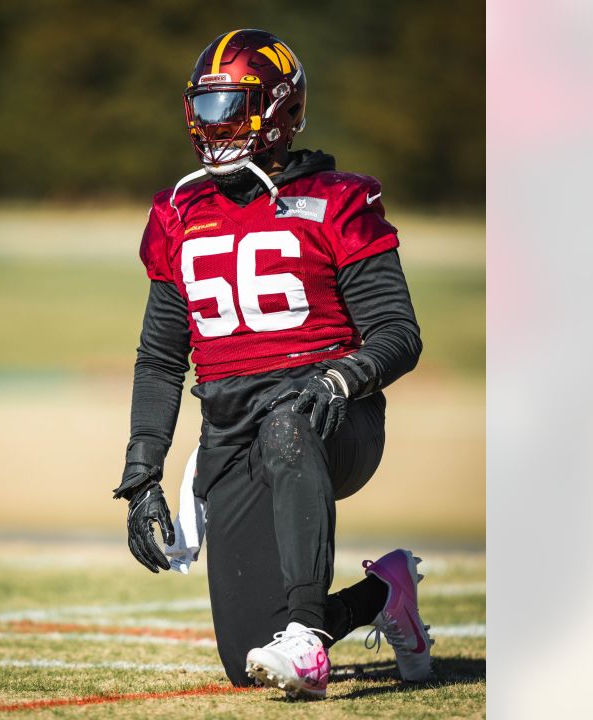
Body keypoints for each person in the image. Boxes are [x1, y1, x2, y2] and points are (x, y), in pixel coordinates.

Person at [111, 29, 432, 700]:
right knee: (245, 662)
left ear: (279, 112)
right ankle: (383, 593)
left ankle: (310, 642)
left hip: (329, 420)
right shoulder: (178, 212)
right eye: (204, 107)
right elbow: (162, 356)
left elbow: (398, 333)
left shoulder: (340, 200)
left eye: (231, 107)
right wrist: (143, 472)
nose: (212, 124)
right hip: (232, 433)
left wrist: (342, 377)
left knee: (288, 426)